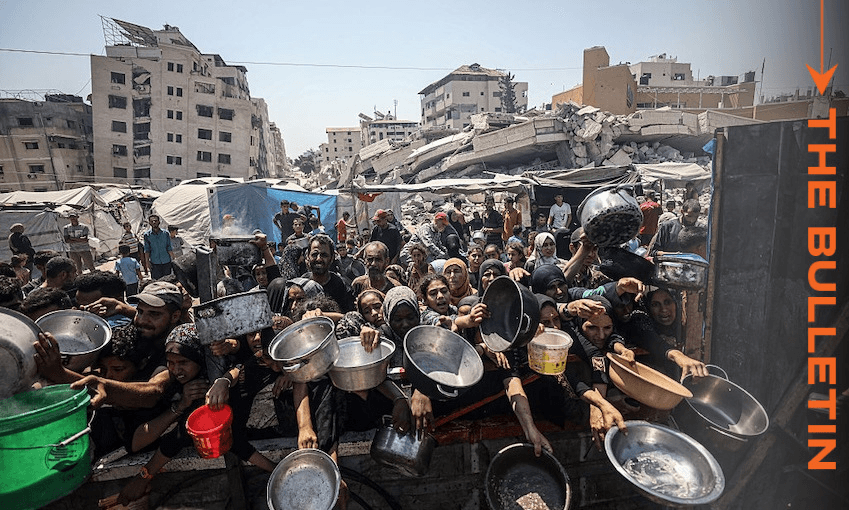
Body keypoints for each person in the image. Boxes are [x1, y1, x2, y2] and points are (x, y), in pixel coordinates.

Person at [303, 234, 355, 313]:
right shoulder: (301, 285)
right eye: (314, 254)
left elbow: (350, 315)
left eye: (324, 255)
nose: (319, 259)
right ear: (308, 257)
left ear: (332, 258)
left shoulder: (343, 286)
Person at [142, 214, 173, 280]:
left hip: (166, 261)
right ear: (149, 223)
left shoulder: (165, 233)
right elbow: (147, 249)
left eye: (155, 221)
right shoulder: (147, 235)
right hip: (154, 262)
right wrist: (147, 262)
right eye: (152, 221)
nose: (154, 222)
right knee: (156, 282)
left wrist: (174, 258)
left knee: (168, 281)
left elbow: (169, 247)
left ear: (159, 222)